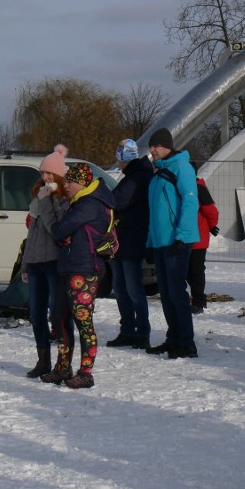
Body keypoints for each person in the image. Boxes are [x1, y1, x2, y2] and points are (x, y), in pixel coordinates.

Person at [39, 163, 115, 389]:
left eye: (70, 182)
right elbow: (62, 235)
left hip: (85, 269)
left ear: (82, 182)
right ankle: (63, 367)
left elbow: (60, 230)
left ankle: (86, 372)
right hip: (70, 266)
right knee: (60, 318)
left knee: (83, 321)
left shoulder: (89, 204)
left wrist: (64, 233)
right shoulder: (79, 203)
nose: (67, 186)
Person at [145, 128, 200, 359]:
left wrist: (181, 235)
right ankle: (173, 338)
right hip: (161, 243)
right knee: (166, 293)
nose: (153, 150)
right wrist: (150, 242)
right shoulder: (158, 173)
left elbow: (190, 202)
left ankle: (186, 343)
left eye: (156, 145)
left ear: (167, 145)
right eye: (151, 146)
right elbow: (154, 213)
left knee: (177, 292)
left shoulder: (181, 167)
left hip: (177, 241)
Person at [20, 145, 70, 377]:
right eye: (42, 173)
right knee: (36, 313)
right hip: (36, 262)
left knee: (57, 313)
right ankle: (43, 360)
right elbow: (32, 235)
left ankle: (63, 362)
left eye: (49, 173)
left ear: (59, 175)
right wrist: (25, 264)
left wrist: (47, 201)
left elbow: (57, 230)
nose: (45, 178)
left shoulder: (63, 199)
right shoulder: (38, 198)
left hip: (55, 262)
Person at [107, 139, 153, 349]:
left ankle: (141, 332)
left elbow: (117, 201)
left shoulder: (137, 178)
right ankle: (127, 330)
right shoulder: (132, 177)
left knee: (133, 289)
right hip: (122, 239)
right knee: (121, 287)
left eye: (120, 155)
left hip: (131, 240)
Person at [187, 171, 219, 315]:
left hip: (198, 238)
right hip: (188, 237)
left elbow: (211, 211)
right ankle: (196, 297)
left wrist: (212, 225)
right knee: (189, 271)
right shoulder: (188, 186)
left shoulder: (199, 188)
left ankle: (199, 301)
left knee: (196, 270)